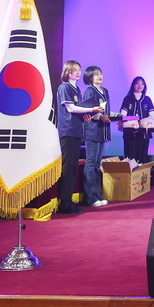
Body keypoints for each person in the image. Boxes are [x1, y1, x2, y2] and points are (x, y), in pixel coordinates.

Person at [55, 60, 103, 215]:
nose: (77, 73)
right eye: (74, 70)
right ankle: (64, 202)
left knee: (73, 168)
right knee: (68, 167)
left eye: (78, 70)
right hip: (67, 131)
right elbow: (70, 108)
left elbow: (78, 110)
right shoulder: (64, 87)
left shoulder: (76, 89)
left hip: (76, 131)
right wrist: (91, 109)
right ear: (67, 72)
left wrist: (86, 115)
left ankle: (68, 200)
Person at [81, 65, 118, 208]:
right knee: (91, 163)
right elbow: (88, 110)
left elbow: (105, 111)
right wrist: (100, 116)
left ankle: (97, 194)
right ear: (90, 78)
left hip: (103, 130)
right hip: (92, 131)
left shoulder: (105, 91)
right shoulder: (90, 91)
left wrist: (113, 116)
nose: (99, 76)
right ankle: (90, 198)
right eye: (96, 74)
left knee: (97, 164)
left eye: (100, 73)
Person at [119, 76, 154, 164]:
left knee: (142, 156)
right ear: (133, 85)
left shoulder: (147, 99)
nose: (140, 86)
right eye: (137, 84)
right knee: (130, 156)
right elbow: (123, 114)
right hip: (130, 132)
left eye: (142, 84)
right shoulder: (128, 98)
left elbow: (152, 114)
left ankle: (141, 171)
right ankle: (130, 172)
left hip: (144, 133)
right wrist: (129, 120)